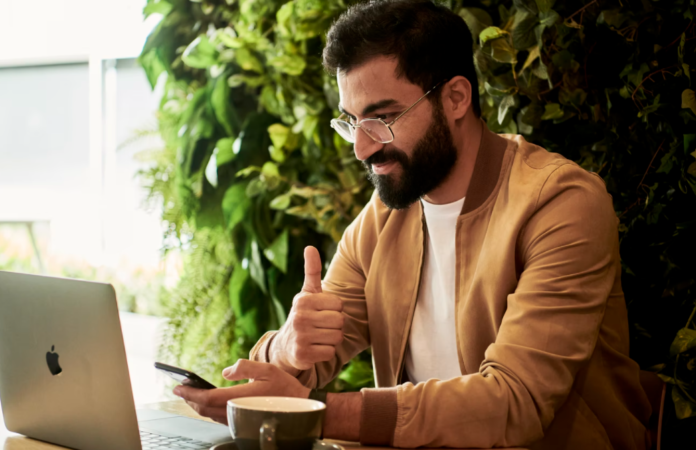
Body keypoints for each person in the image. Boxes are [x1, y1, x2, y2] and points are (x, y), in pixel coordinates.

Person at [174, 0, 653, 448]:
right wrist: (289, 349)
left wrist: (316, 412)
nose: (362, 148)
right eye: (350, 122)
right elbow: (293, 372)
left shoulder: (560, 203)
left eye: (382, 118)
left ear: (456, 97)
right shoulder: (382, 221)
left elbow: (514, 402)